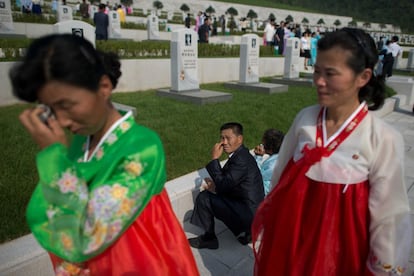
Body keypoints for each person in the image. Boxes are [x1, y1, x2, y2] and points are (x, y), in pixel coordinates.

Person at [8, 34, 199, 276]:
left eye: (66, 105)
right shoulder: (80, 141)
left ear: (104, 86)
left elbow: (88, 233)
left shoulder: (143, 147)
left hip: (138, 262)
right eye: (51, 109)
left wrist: (54, 159)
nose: (62, 120)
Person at [252, 27, 412, 275]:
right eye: (317, 71)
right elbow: (280, 176)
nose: (319, 81)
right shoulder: (305, 120)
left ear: (363, 76)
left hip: (341, 255)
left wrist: (383, 267)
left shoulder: (382, 139)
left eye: (331, 74)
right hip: (290, 243)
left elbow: (388, 217)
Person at [188, 122, 264, 249]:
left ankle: (209, 238)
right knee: (213, 194)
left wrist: (214, 159)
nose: (224, 142)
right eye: (222, 138)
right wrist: (216, 188)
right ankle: (246, 233)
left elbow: (224, 184)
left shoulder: (240, 160)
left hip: (249, 215)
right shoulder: (241, 155)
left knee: (204, 198)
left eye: (228, 138)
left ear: (239, 139)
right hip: (252, 211)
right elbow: (230, 183)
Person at [252, 129, 284, 196]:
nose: (261, 143)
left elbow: (256, 177)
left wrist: (258, 157)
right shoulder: (280, 157)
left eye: (263, 142)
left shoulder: (272, 165)